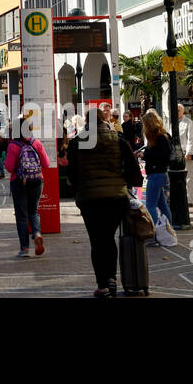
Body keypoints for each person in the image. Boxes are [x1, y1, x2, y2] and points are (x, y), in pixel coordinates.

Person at [68, 102, 141, 297]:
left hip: (89, 198)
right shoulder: (117, 138)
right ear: (104, 120)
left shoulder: (76, 142)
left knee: (97, 241)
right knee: (109, 238)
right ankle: (112, 279)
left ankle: (103, 284)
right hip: (115, 197)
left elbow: (72, 174)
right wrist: (122, 180)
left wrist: (79, 191)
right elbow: (133, 167)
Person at [3, 110, 50, 257]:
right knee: (33, 211)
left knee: (22, 215)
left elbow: (9, 167)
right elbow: (47, 164)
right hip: (37, 181)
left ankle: (24, 248)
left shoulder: (13, 145)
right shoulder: (36, 143)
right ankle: (36, 234)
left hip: (19, 182)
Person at [140, 109, 174, 244]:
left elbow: (163, 156)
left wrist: (145, 155)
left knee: (150, 205)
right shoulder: (160, 137)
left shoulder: (161, 137)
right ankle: (168, 231)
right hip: (158, 173)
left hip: (157, 173)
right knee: (162, 204)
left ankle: (153, 235)